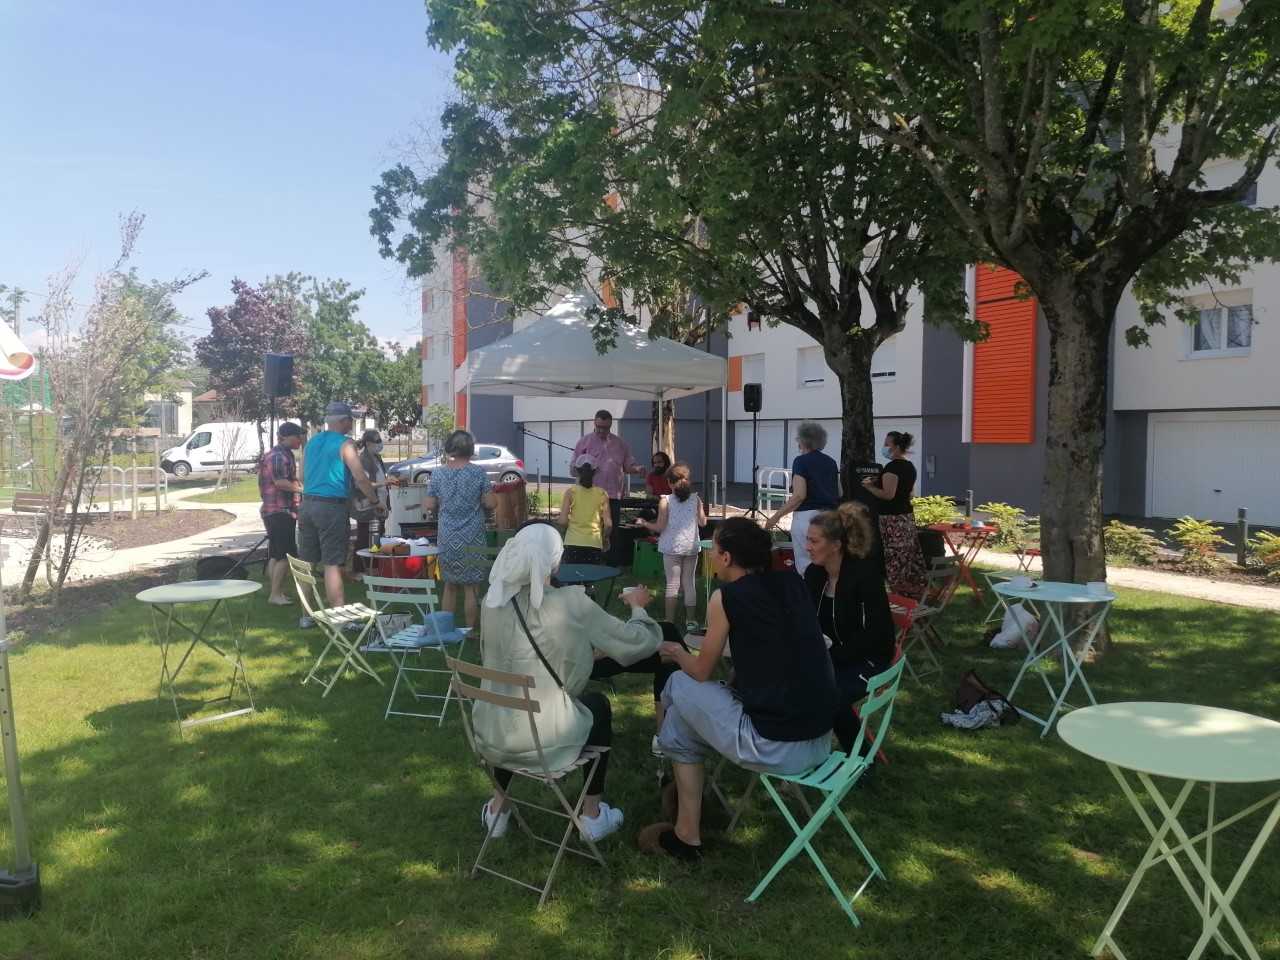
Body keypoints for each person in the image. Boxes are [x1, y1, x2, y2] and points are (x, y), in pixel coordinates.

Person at [640, 518, 837, 861]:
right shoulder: (793, 583)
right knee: (683, 722)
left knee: (676, 683)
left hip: (776, 747)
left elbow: (701, 670)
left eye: (714, 550)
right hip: (821, 741)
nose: (711, 556)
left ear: (728, 557)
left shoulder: (725, 598)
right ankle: (685, 827)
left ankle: (666, 761)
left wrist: (674, 652)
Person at [474, 523, 662, 843]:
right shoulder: (569, 603)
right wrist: (638, 609)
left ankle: (498, 809)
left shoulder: (492, 603)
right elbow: (636, 643)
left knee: (513, 699)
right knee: (598, 705)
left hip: (491, 733)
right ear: (554, 561)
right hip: (545, 741)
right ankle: (592, 815)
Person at [803, 504, 896, 754]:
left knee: (828, 696)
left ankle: (861, 758)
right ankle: (786, 749)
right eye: (807, 540)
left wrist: (828, 658)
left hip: (869, 659)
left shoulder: (864, 575)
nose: (806, 547)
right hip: (830, 656)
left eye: (814, 541)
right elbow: (804, 619)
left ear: (836, 545)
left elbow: (878, 634)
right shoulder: (814, 574)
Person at [298, 402, 383, 608]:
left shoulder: (311, 442)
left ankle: (305, 617)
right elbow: (360, 478)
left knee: (307, 563)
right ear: (343, 420)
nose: (351, 424)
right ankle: (339, 618)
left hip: (307, 504)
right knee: (332, 563)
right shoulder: (346, 444)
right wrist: (375, 502)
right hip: (331, 508)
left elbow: (301, 476)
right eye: (350, 420)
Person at [425, 429, 497, 630]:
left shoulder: (438, 474)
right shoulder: (478, 473)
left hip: (447, 536)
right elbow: (491, 503)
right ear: (470, 449)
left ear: (450, 448)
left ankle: (446, 628)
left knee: (449, 585)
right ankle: (470, 630)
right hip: (472, 536)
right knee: (471, 588)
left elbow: (429, 505)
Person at [764, 421, 840, 576]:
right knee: (827, 564)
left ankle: (808, 597)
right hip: (830, 517)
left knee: (806, 565)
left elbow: (799, 495)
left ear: (803, 440)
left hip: (807, 517)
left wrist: (776, 516)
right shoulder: (831, 462)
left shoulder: (801, 461)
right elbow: (838, 492)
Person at [636, 462, 706, 630]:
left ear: (669, 483)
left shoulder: (665, 501)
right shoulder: (696, 499)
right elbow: (703, 522)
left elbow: (659, 527)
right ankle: (690, 621)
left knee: (672, 584)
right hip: (691, 546)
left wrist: (644, 522)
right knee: (689, 582)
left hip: (671, 547)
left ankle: (669, 623)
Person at [570, 410, 646, 559]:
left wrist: (638, 469)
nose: (601, 431)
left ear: (611, 425)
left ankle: (611, 561)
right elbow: (573, 469)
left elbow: (628, 466)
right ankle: (592, 557)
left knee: (612, 529)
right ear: (594, 422)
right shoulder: (584, 442)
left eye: (605, 427)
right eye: (599, 427)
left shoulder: (620, 444)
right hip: (590, 494)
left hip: (612, 495)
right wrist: (583, 470)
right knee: (592, 528)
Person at [861, 431, 927, 599]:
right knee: (907, 554)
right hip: (906, 517)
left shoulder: (893, 468)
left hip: (892, 520)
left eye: (887, 444)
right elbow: (910, 493)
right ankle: (913, 592)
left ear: (897, 447)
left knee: (895, 555)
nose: (885, 447)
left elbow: (888, 494)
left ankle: (899, 596)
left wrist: (869, 487)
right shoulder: (910, 466)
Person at [258, 421, 305, 605]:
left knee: (276, 554)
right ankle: (275, 595)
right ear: (285, 436)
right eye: (297, 436)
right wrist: (304, 490)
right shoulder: (278, 456)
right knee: (286, 554)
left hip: (276, 510)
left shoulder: (284, 454)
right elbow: (281, 483)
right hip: (279, 511)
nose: (300, 440)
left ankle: (277, 592)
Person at [351, 429, 400, 573]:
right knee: (365, 537)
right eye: (377, 441)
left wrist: (387, 483)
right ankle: (360, 569)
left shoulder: (377, 458)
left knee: (377, 535)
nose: (380, 444)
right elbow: (362, 484)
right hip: (367, 506)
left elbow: (379, 480)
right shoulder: (363, 460)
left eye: (380, 440)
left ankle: (374, 566)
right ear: (368, 443)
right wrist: (384, 482)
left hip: (380, 504)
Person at [558, 454, 610, 564]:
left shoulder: (571, 492)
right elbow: (608, 525)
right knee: (590, 579)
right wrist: (605, 538)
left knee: (572, 578)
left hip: (572, 542)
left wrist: (567, 531)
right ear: (595, 472)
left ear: (577, 470)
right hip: (594, 543)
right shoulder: (602, 494)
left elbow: (562, 521)